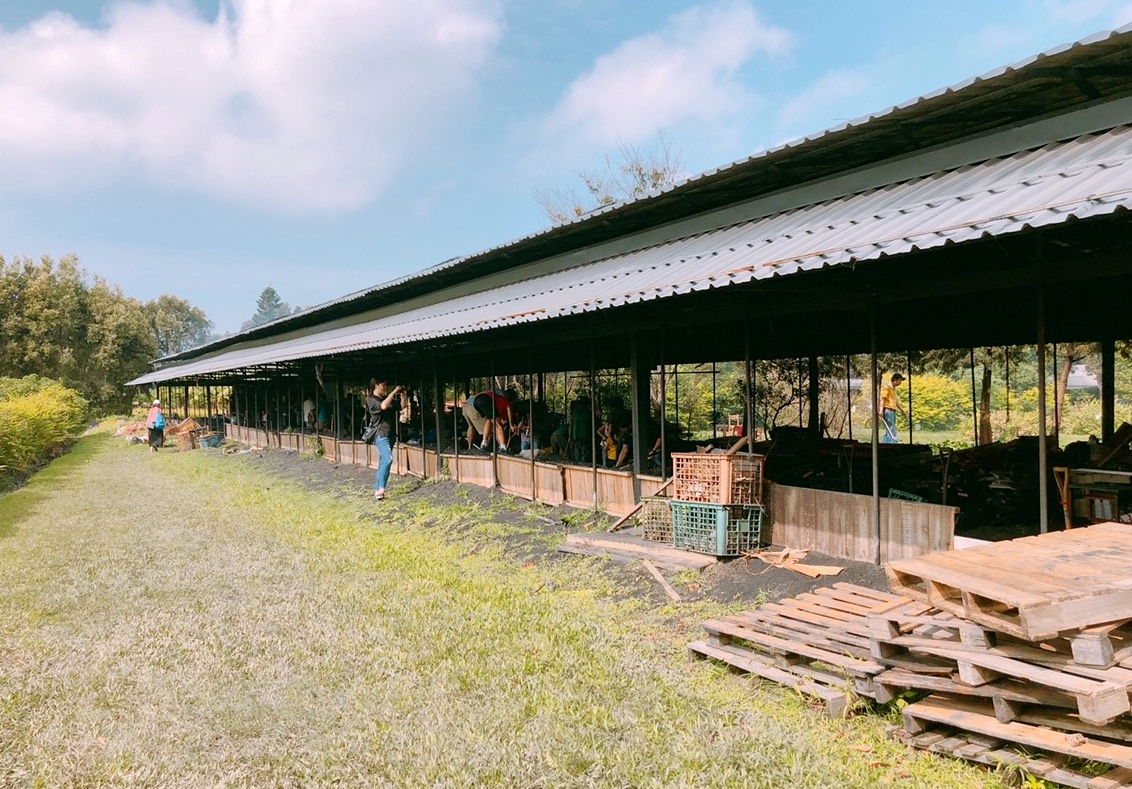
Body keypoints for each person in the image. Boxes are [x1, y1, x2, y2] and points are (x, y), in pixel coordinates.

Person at [366, 377, 404, 500]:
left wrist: (403, 394)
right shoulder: (372, 400)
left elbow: (402, 406)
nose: (385, 387)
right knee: (388, 459)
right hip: (381, 435)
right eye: (383, 385)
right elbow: (383, 406)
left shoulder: (386, 399)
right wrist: (393, 392)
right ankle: (380, 490)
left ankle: (379, 490)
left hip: (390, 434)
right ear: (376, 385)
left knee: (383, 462)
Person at [879, 373, 906, 444]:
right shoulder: (887, 388)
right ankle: (892, 443)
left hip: (892, 411)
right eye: (900, 380)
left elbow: (896, 402)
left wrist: (902, 410)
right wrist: (881, 411)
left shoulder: (893, 389)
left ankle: (886, 443)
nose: (900, 383)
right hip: (888, 410)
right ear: (895, 380)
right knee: (891, 429)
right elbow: (882, 400)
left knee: (890, 430)